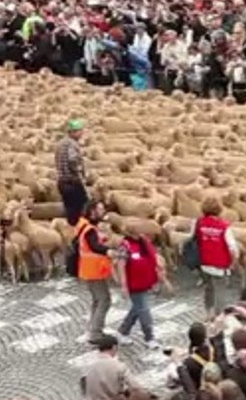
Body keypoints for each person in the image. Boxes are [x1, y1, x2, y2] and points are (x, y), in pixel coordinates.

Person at [115, 222, 166, 349]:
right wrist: (124, 285)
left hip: (144, 282)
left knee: (137, 308)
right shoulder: (125, 246)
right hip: (134, 285)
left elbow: (152, 257)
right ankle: (149, 338)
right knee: (144, 310)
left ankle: (122, 332)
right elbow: (121, 265)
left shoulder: (143, 242)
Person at [75, 200, 115, 345]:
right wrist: (108, 251)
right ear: (93, 211)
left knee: (97, 300)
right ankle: (95, 333)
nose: (103, 212)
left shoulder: (83, 224)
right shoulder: (89, 229)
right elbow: (94, 246)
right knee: (104, 299)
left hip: (87, 268)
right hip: (94, 270)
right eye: (100, 209)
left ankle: (93, 328)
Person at [194, 197, 240, 318]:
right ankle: (219, 317)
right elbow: (232, 247)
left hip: (204, 263)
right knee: (220, 291)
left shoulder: (199, 223)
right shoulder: (224, 226)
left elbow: (197, 240)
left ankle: (208, 312)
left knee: (208, 289)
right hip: (220, 264)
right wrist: (234, 262)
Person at [56, 119, 90, 225]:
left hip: (62, 181)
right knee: (80, 209)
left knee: (69, 209)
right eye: (80, 131)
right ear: (73, 132)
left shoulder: (60, 144)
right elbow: (72, 160)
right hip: (72, 182)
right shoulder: (71, 144)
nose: (81, 133)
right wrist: (80, 173)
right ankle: (79, 234)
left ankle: (72, 231)